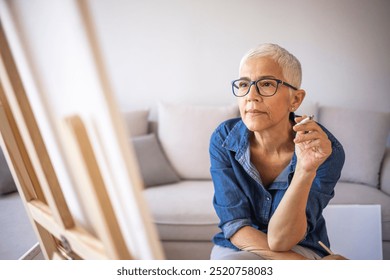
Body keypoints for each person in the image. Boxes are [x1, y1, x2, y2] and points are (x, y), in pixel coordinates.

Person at [209, 43, 345, 260]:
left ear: (296, 99)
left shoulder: (326, 152)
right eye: (244, 84)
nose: (251, 96)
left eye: (266, 84)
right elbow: (235, 225)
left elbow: (281, 241)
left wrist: (304, 169)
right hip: (239, 245)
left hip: (299, 245)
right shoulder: (223, 138)